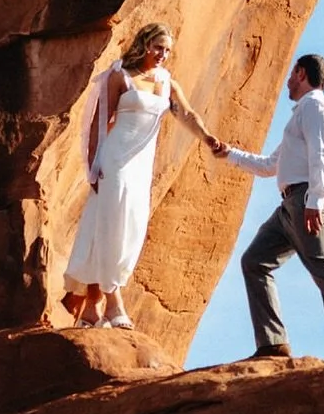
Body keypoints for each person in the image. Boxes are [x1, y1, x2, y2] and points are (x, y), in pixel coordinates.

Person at [62, 22, 222, 328]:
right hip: (114, 162)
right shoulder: (120, 76)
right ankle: (113, 302)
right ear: (145, 45)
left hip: (140, 166)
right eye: (158, 47)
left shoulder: (166, 82)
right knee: (112, 225)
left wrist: (208, 138)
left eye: (167, 50)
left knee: (129, 227)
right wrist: (93, 165)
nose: (162, 54)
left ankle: (93, 307)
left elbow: (187, 114)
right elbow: (98, 122)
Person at [215, 52, 324, 360]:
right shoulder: (301, 113)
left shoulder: (316, 106)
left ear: (300, 73)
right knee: (255, 261)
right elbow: (271, 165)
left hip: (308, 199)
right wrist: (227, 153)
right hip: (291, 204)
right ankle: (273, 343)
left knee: (323, 265)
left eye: (290, 74)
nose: (286, 81)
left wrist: (315, 201)